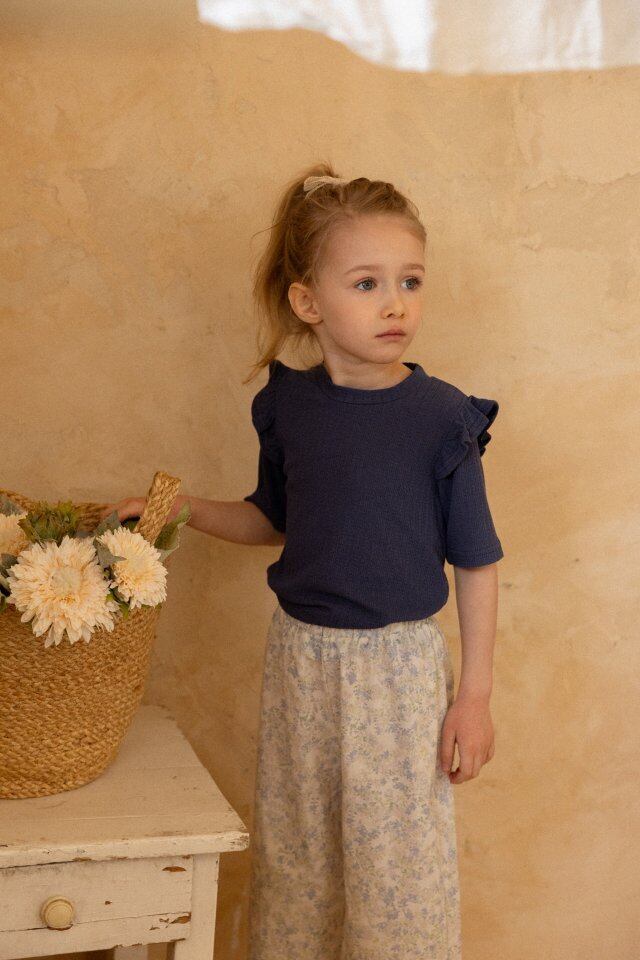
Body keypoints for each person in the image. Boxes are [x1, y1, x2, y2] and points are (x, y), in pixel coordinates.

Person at [100, 163, 504, 960]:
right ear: (308, 302)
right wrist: (187, 510)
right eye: (367, 283)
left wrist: (475, 696)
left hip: (397, 675)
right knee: (300, 860)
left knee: (396, 877)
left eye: (410, 281)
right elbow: (277, 521)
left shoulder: (440, 419)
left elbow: (478, 561)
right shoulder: (289, 408)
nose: (395, 304)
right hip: (300, 664)